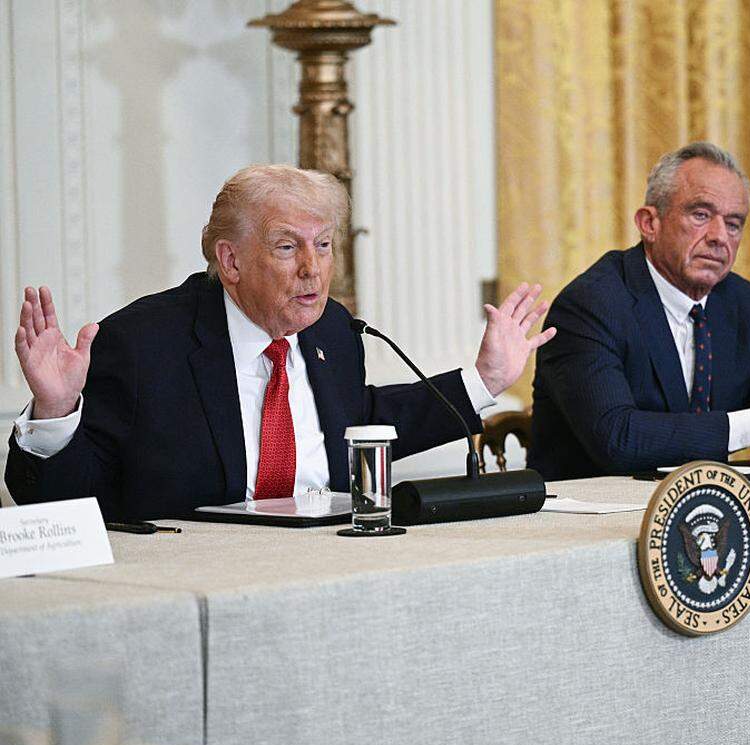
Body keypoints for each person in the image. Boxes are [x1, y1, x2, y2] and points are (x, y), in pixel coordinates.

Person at [5, 164, 555, 519]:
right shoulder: (145, 343)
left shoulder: (331, 328)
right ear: (230, 261)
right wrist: (56, 411)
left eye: (324, 244)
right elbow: (64, 503)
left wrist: (483, 380)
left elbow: (363, 422)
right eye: (288, 248)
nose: (313, 269)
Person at [528, 142, 750, 480]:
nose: (720, 236)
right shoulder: (591, 305)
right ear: (649, 223)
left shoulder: (744, 305)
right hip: (594, 506)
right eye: (700, 215)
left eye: (734, 224)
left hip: (704, 501)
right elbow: (617, 438)